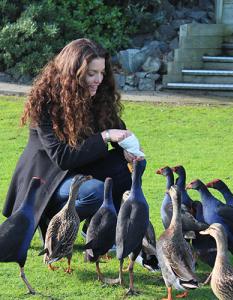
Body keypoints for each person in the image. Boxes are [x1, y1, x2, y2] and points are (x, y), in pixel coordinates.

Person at [3, 38, 143, 241]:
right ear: (73, 73)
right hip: (49, 180)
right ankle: (53, 224)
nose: (98, 79)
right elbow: (63, 158)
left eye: (102, 73)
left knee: (131, 165)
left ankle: (99, 228)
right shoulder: (45, 104)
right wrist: (105, 136)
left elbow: (117, 129)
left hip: (79, 169)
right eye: (91, 73)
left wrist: (129, 148)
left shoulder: (98, 97)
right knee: (93, 191)